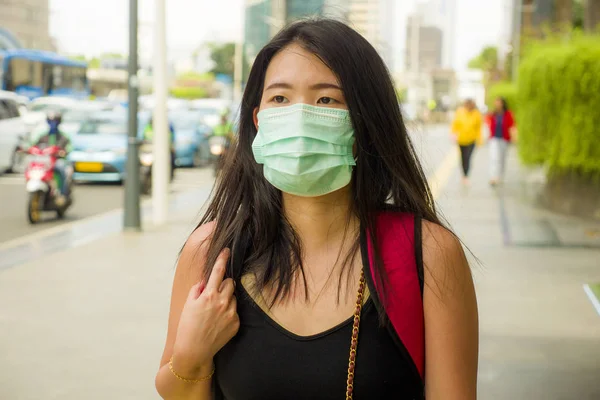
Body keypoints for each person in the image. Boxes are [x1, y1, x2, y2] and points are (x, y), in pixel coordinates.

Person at [155, 19, 478, 400]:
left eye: (326, 99)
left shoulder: (430, 255)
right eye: (280, 99)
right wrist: (192, 356)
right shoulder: (211, 252)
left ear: (365, 121)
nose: (300, 116)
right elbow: (178, 388)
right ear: (258, 122)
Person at [32, 111, 72, 204]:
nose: (52, 124)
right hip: (44, 161)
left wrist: (63, 152)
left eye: (55, 121)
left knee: (61, 168)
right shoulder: (43, 135)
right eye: (50, 121)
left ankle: (62, 194)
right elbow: (34, 145)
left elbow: (69, 147)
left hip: (57, 160)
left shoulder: (63, 136)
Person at [451, 99, 482, 185]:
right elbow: (455, 124)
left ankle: (466, 176)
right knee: (463, 158)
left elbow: (479, 128)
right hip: (461, 139)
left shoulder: (476, 114)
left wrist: (479, 140)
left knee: (468, 157)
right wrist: (453, 134)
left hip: (471, 140)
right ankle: (464, 174)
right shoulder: (460, 112)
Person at [486, 97, 516, 186]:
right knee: (494, 158)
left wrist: (514, 137)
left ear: (503, 103)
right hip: (494, 138)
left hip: (504, 139)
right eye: (496, 102)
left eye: (498, 102)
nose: (497, 104)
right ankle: (493, 177)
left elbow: (512, 126)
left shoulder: (508, 114)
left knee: (502, 159)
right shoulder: (493, 114)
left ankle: (500, 176)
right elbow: (488, 124)